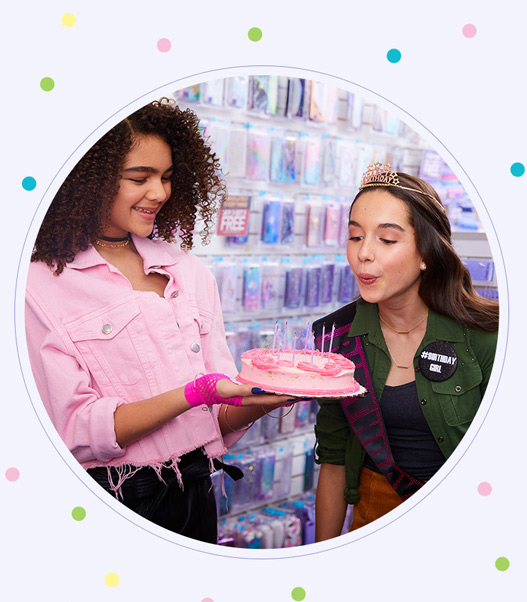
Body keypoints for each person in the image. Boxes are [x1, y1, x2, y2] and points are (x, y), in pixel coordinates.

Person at [25, 98, 291, 544]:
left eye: (167, 177)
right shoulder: (39, 284)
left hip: (199, 490)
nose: (160, 193)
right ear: (84, 177)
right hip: (116, 499)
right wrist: (193, 393)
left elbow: (215, 416)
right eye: (139, 178)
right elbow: (73, 430)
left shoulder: (187, 272)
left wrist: (270, 397)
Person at [314, 163, 498, 541]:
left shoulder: (486, 336)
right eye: (355, 236)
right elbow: (332, 460)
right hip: (372, 520)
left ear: (426, 252)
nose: (364, 254)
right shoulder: (337, 337)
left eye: (387, 240)